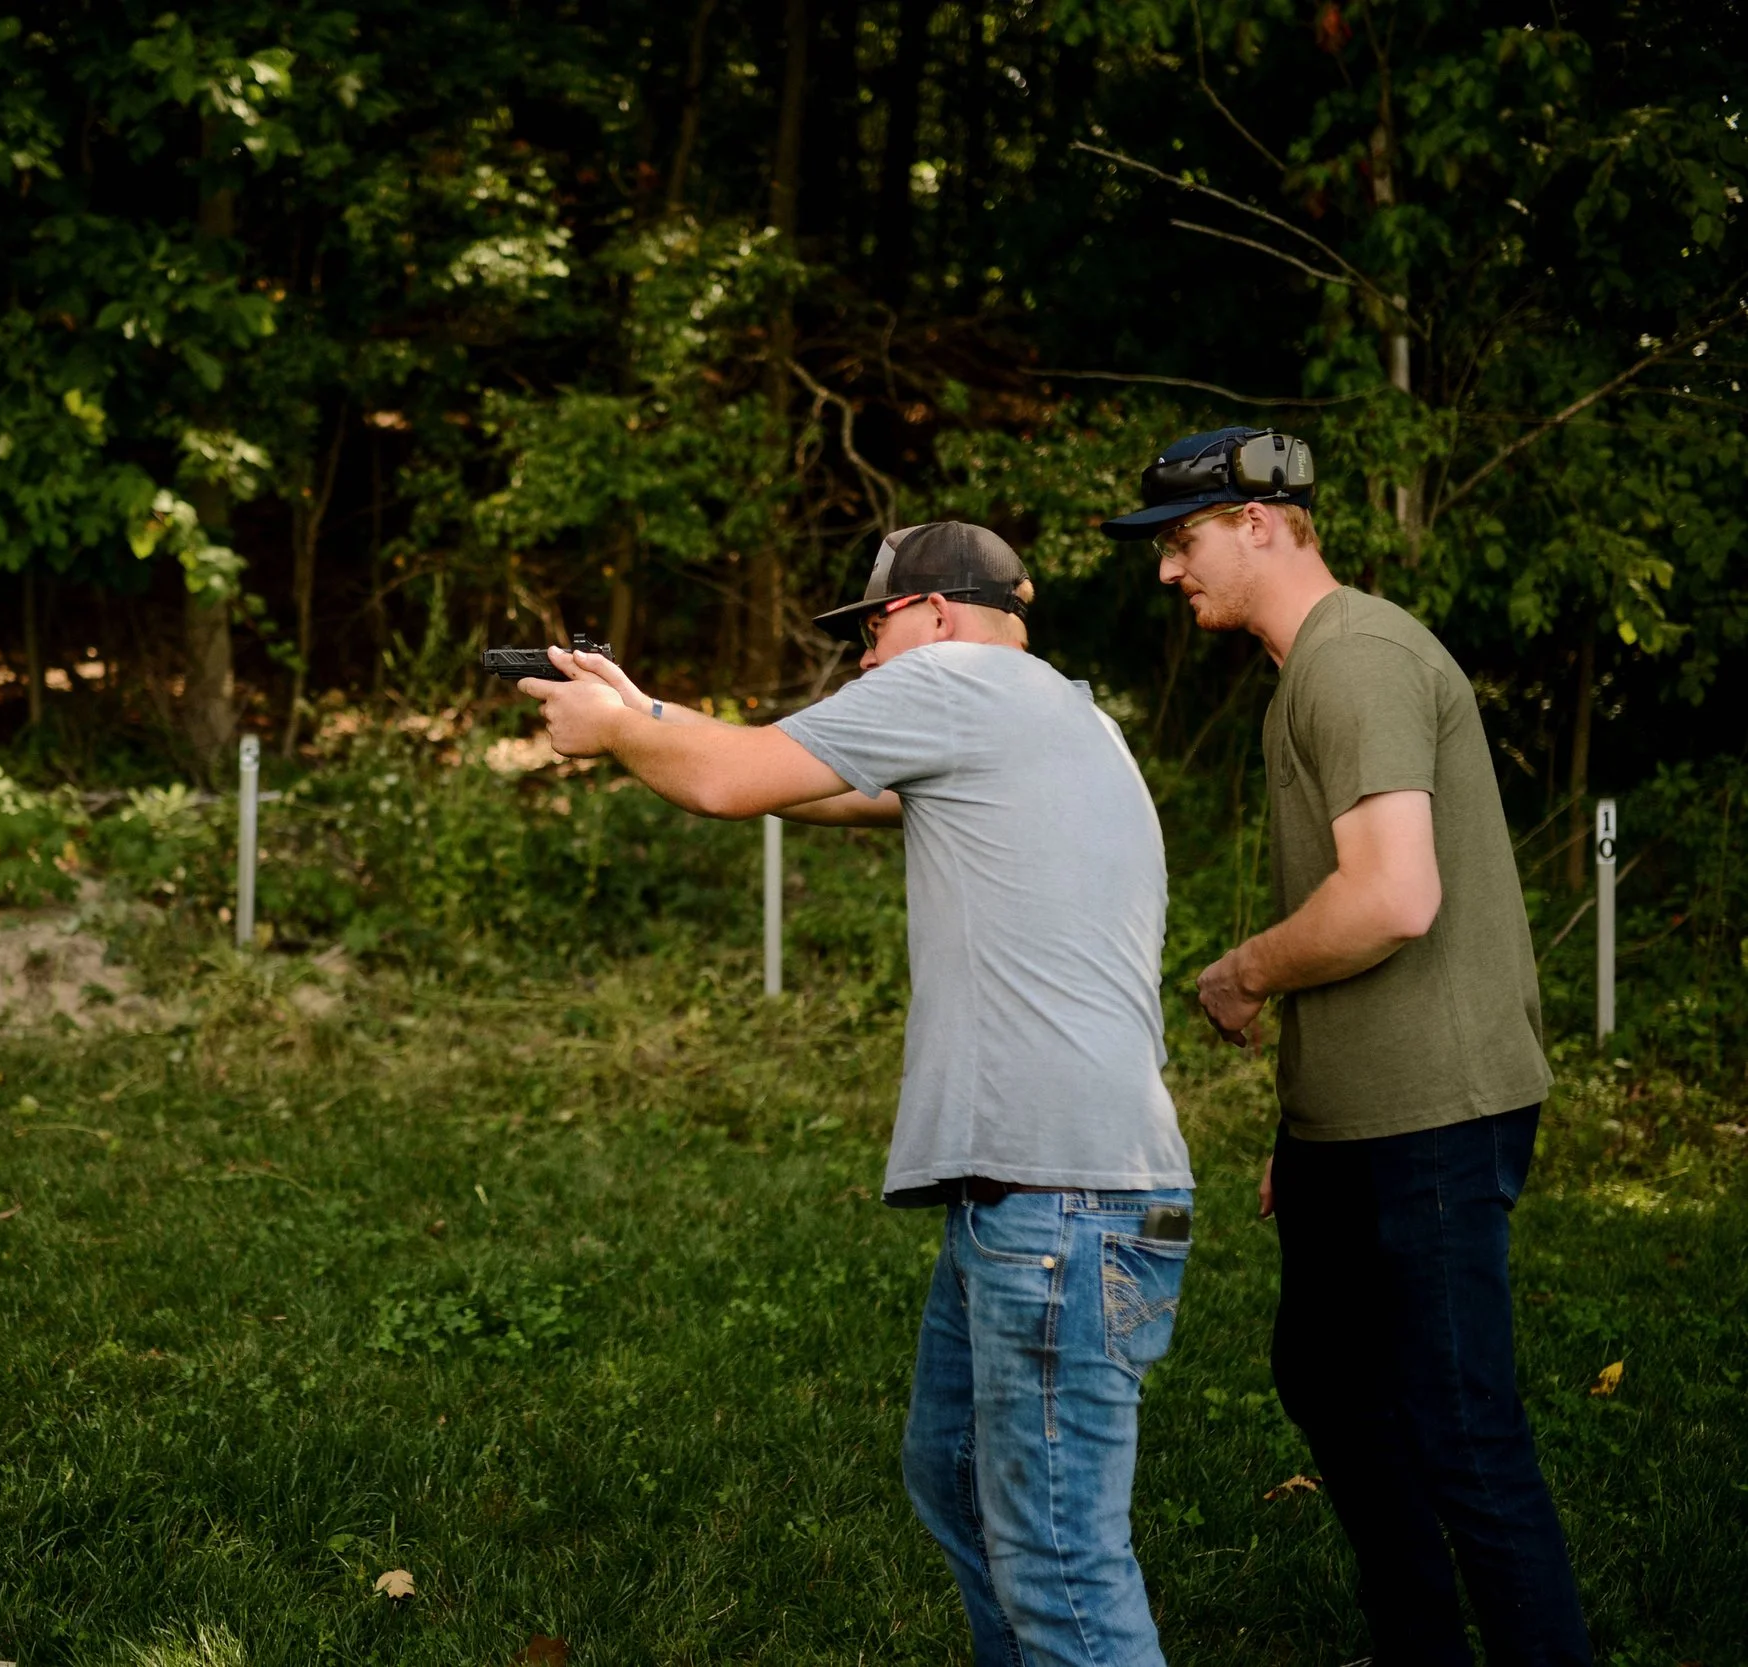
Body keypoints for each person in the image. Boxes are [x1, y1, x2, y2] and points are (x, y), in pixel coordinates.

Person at [519, 522, 1193, 1667]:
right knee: (958, 1470)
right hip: (1056, 1198)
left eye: (871, 630)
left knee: (1063, 1562)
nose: (866, 661)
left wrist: (612, 734)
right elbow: (807, 782)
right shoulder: (1053, 713)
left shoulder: (958, 682)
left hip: (1054, 1208)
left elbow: (733, 783)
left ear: (932, 612)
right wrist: (643, 714)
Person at [1104, 427, 1591, 1665]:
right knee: (1326, 1373)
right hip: (1354, 1117)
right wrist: (1301, 1119)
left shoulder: (1357, 656)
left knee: (1460, 1429)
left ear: (1260, 521)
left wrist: (1240, 970)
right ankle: (1417, 1640)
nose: (1168, 572)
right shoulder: (1307, 668)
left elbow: (1390, 899)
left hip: (1434, 1110)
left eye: (1183, 540)